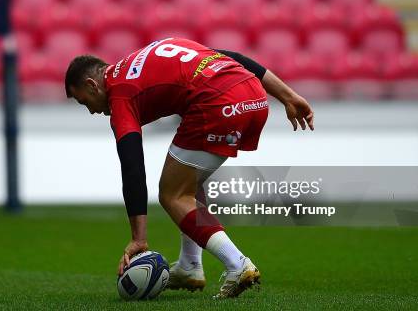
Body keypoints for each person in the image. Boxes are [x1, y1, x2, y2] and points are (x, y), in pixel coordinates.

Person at [65, 38, 314, 298]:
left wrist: (139, 238)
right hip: (253, 96)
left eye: (85, 103)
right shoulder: (148, 54)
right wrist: (288, 95)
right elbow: (231, 56)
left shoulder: (120, 96)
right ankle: (190, 265)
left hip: (218, 103)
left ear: (92, 85)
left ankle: (237, 264)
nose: (92, 111)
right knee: (187, 183)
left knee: (172, 194)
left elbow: (132, 168)